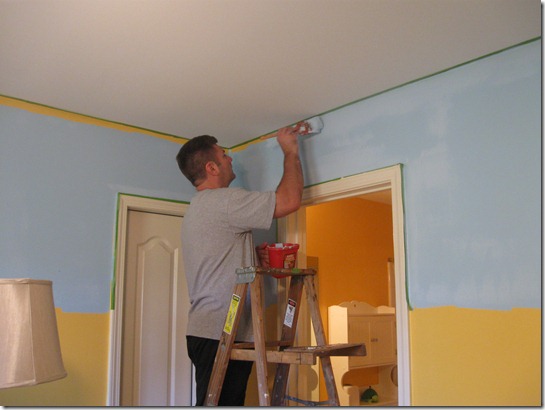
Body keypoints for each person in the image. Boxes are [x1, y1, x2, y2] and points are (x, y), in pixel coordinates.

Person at [175, 125, 303, 406]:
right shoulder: (225, 201)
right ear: (211, 167)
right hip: (222, 331)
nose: (230, 158)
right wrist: (290, 151)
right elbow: (290, 201)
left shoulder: (198, 207)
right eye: (224, 155)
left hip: (210, 331)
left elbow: (217, 258)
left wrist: (251, 256)